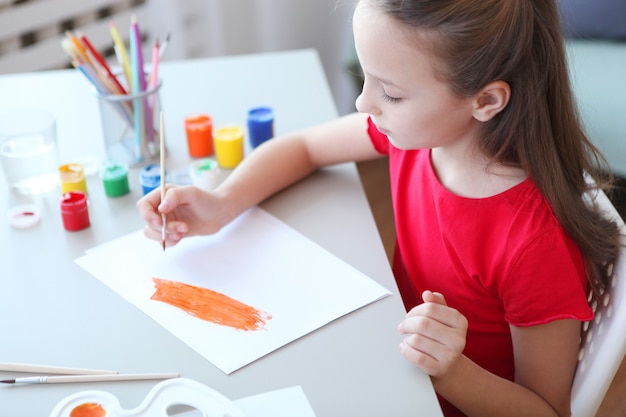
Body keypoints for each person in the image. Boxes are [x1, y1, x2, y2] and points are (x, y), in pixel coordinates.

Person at [137, 1, 622, 415]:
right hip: (388, 349)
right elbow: (305, 147)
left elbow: (545, 410)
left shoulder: (533, 245)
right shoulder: (420, 135)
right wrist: (222, 203)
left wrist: (452, 372)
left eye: (390, 92)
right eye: (368, 79)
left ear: (486, 100)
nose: (363, 102)